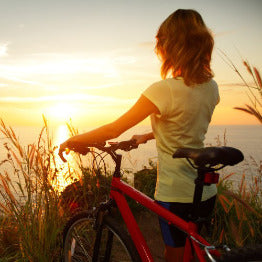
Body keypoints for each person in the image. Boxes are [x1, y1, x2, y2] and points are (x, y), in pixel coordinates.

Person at [59, 9, 219, 262]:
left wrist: (74, 139)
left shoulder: (163, 90)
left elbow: (114, 129)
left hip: (175, 193)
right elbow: (185, 125)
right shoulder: (211, 88)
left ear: (172, 45)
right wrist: (147, 135)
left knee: (175, 258)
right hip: (205, 192)